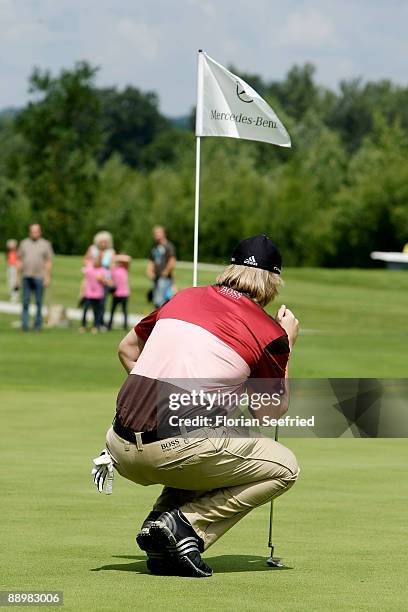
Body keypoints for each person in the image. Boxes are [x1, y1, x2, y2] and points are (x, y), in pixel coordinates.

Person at [92, 234, 300, 578]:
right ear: (272, 283)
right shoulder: (268, 332)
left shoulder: (183, 297)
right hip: (175, 450)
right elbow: (268, 412)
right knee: (285, 466)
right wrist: (287, 344)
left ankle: (161, 529)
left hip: (117, 446)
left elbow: (127, 349)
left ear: (229, 270)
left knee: (217, 432)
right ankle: (186, 526)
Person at [16, 224, 53, 331]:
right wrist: (17, 278)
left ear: (40, 232)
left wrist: (47, 277)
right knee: (25, 301)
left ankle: (37, 325)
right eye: (33, 231)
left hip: (39, 276)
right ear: (29, 232)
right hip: (26, 275)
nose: (34, 233)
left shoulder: (45, 244)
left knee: (38, 302)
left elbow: (48, 262)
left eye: (36, 231)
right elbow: (19, 261)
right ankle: (24, 325)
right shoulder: (24, 243)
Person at [83, 231, 116, 324]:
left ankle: (100, 322)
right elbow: (86, 260)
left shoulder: (111, 252)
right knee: (90, 302)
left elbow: (112, 266)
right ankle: (93, 321)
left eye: (106, 242)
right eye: (102, 241)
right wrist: (92, 267)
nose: (104, 244)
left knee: (102, 302)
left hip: (104, 279)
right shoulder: (92, 249)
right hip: (93, 279)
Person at [146, 226, 176, 308]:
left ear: (164, 234)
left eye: (158, 233)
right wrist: (149, 271)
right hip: (156, 278)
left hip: (165, 278)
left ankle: (161, 319)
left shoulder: (168, 246)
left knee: (160, 301)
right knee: (157, 300)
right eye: (155, 233)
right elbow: (151, 261)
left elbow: (172, 260)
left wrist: (166, 271)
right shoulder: (154, 247)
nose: (156, 235)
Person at [80, 256, 108, 334]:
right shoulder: (89, 269)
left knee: (97, 312)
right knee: (85, 310)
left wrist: (102, 279)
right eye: (95, 260)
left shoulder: (103, 270)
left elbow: (108, 282)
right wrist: (82, 291)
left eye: (98, 261)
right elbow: (84, 277)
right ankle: (83, 326)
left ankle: (95, 326)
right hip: (89, 294)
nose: (96, 262)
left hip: (99, 294)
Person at [107, 255, 131, 331]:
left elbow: (128, 259)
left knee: (124, 311)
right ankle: (109, 325)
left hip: (124, 293)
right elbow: (111, 262)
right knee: (112, 310)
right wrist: (115, 260)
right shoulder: (114, 270)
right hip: (116, 293)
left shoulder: (125, 269)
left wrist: (119, 259)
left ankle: (125, 326)